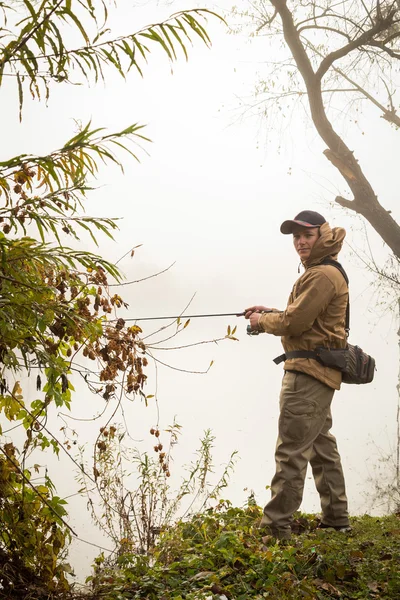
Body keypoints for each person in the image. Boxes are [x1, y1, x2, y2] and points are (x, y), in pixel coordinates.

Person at [244, 210, 350, 540]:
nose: (300, 242)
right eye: (296, 237)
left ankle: (275, 530)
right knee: (320, 447)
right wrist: (270, 313)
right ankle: (336, 519)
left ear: (322, 234)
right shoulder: (324, 271)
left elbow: (295, 324)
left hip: (306, 376)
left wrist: (262, 322)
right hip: (318, 373)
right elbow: (304, 319)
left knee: (290, 453)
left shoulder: (321, 276)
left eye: (307, 235)